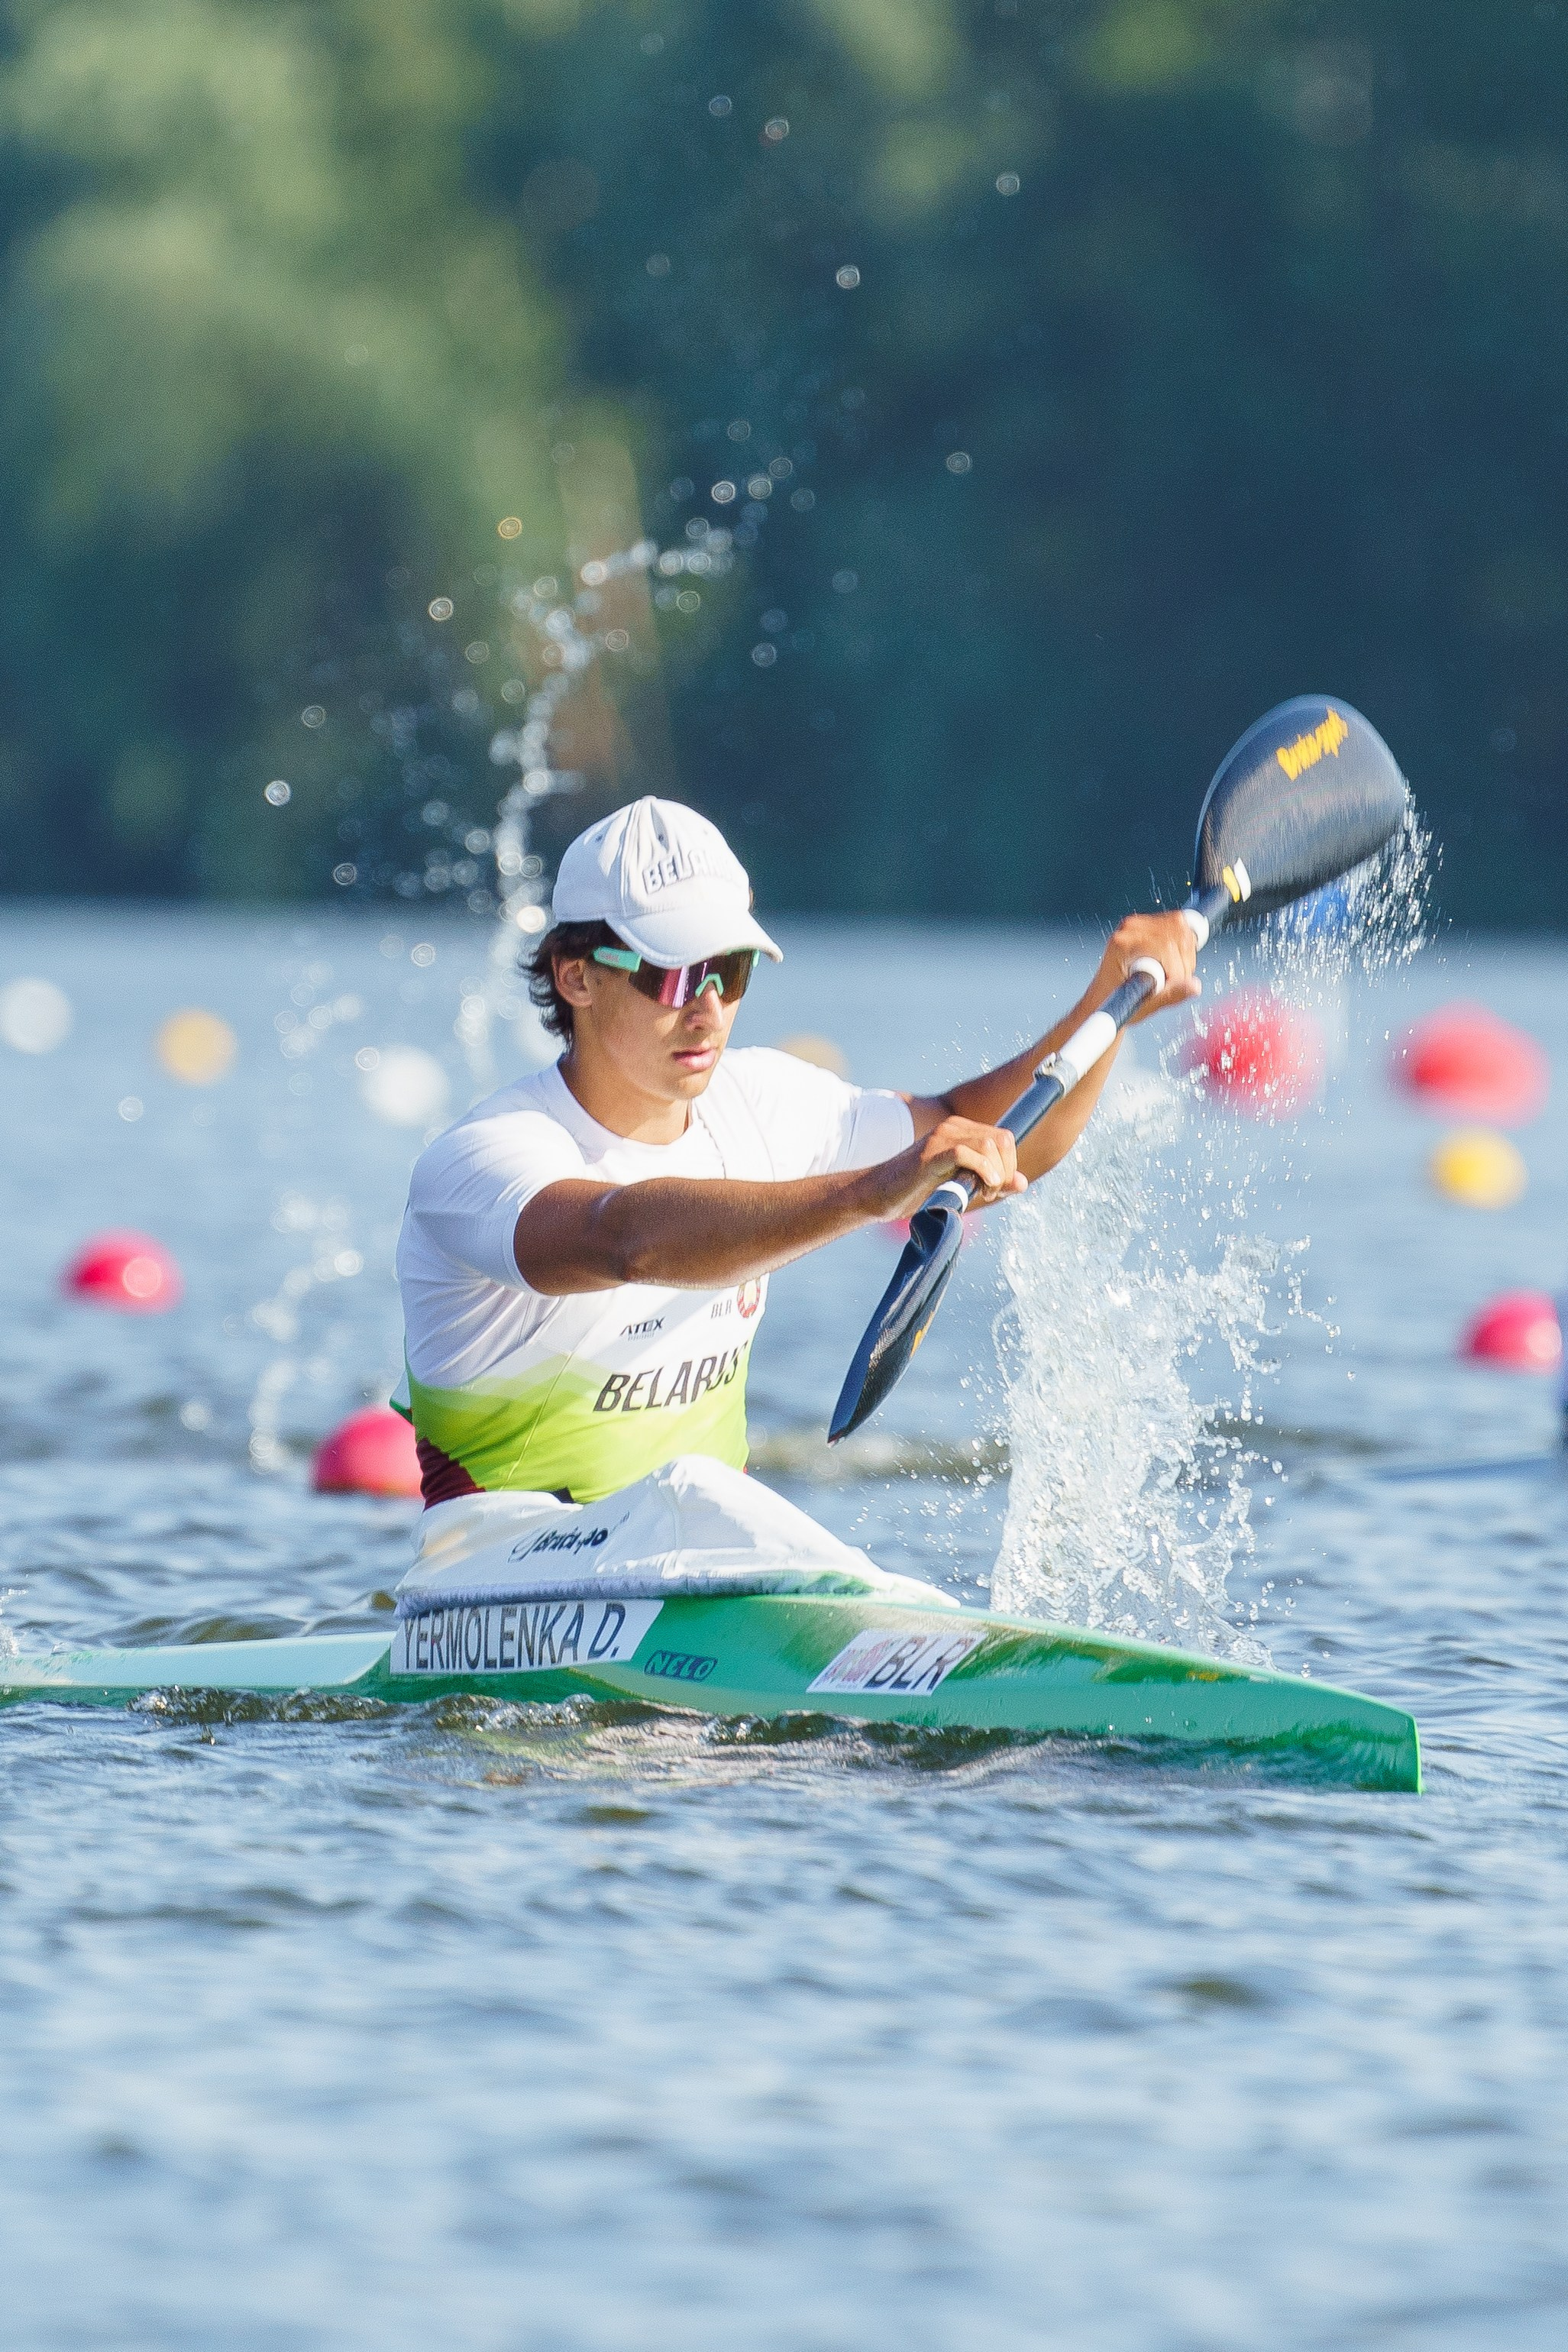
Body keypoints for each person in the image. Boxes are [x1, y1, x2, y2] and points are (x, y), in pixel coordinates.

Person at [395, 796, 1199, 1506]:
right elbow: (624, 1237)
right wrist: (872, 1192)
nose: (708, 1010)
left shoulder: (765, 1102)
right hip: (492, 1582)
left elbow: (988, 1134)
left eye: (729, 971)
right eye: (674, 977)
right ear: (576, 976)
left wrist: (1109, 1003)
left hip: (698, 1561)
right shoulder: (479, 1162)